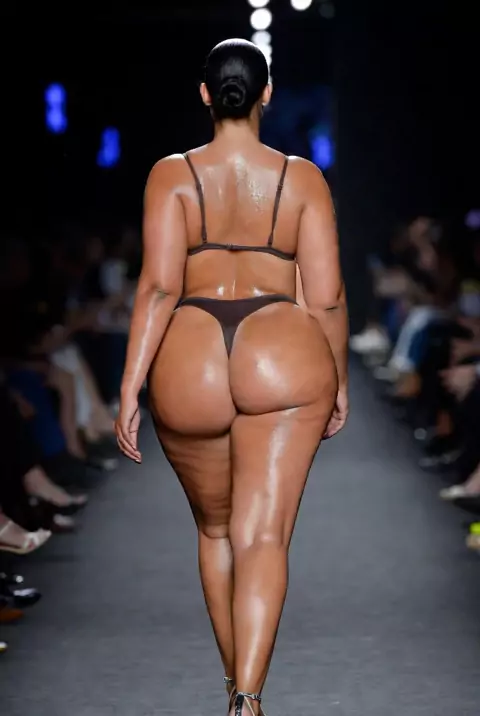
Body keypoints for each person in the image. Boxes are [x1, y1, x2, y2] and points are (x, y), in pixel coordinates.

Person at [115, 39, 348, 716]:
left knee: (216, 533)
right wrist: (338, 378)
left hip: (190, 355)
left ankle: (233, 686)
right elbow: (327, 297)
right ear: (267, 93)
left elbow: (159, 287)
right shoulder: (302, 178)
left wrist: (130, 385)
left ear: (204, 94)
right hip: (280, 348)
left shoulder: (172, 175)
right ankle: (248, 698)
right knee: (263, 536)